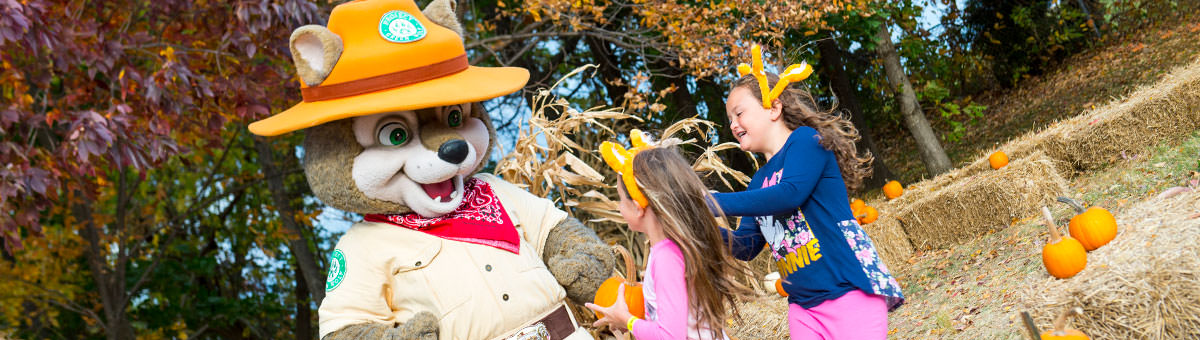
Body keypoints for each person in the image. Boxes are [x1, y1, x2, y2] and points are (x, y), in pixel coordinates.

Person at [710, 44, 904, 339]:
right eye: (730, 120)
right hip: (803, 307)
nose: (733, 125)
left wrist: (713, 202)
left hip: (849, 290)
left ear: (774, 108)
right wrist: (696, 224)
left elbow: (790, 194)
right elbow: (746, 246)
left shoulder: (805, 142)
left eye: (739, 114)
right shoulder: (758, 181)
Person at [585, 132, 756, 340]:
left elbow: (670, 335)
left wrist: (627, 320)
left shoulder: (667, 258)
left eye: (621, 199)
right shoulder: (674, 248)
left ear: (638, 208)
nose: (619, 207)